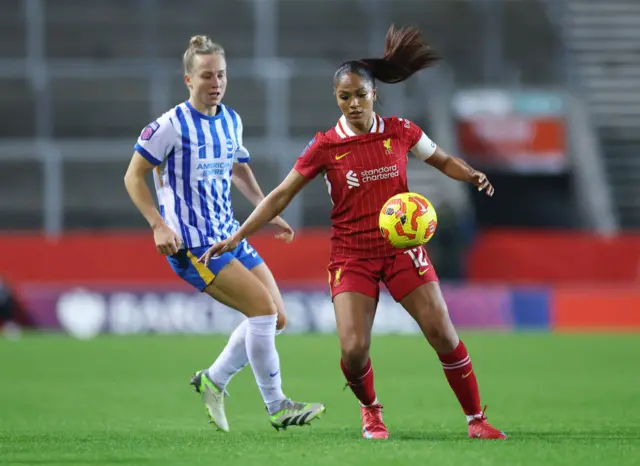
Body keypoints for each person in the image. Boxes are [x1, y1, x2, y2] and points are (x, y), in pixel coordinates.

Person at [200, 25, 506, 440]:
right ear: (337, 99)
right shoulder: (326, 146)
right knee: (353, 349)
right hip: (351, 255)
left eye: (360, 95)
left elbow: (442, 159)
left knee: (442, 331)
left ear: (374, 94)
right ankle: (370, 410)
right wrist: (239, 235)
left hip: (402, 249)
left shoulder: (400, 130)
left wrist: (469, 174)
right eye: (345, 97)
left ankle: (476, 419)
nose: (353, 104)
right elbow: (280, 195)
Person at [124, 35, 325, 432]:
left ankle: (213, 380)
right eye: (206, 76)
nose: (215, 82)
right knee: (263, 312)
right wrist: (158, 224)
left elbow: (239, 168)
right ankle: (277, 406)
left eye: (221, 75)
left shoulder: (231, 120)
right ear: (188, 79)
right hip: (194, 245)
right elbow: (133, 176)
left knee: (278, 317)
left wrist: (266, 209)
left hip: (230, 235)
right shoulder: (169, 126)